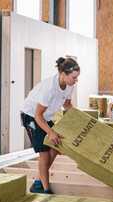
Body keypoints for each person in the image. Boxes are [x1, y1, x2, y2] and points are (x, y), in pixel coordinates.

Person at [20, 57, 80, 194]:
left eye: (77, 78)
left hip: (45, 117)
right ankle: (45, 189)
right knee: (45, 153)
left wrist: (80, 119)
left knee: (56, 147)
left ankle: (38, 182)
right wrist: (50, 132)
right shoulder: (49, 88)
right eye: (74, 77)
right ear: (63, 74)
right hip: (31, 116)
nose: (76, 81)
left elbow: (67, 105)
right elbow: (37, 116)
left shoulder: (70, 85)